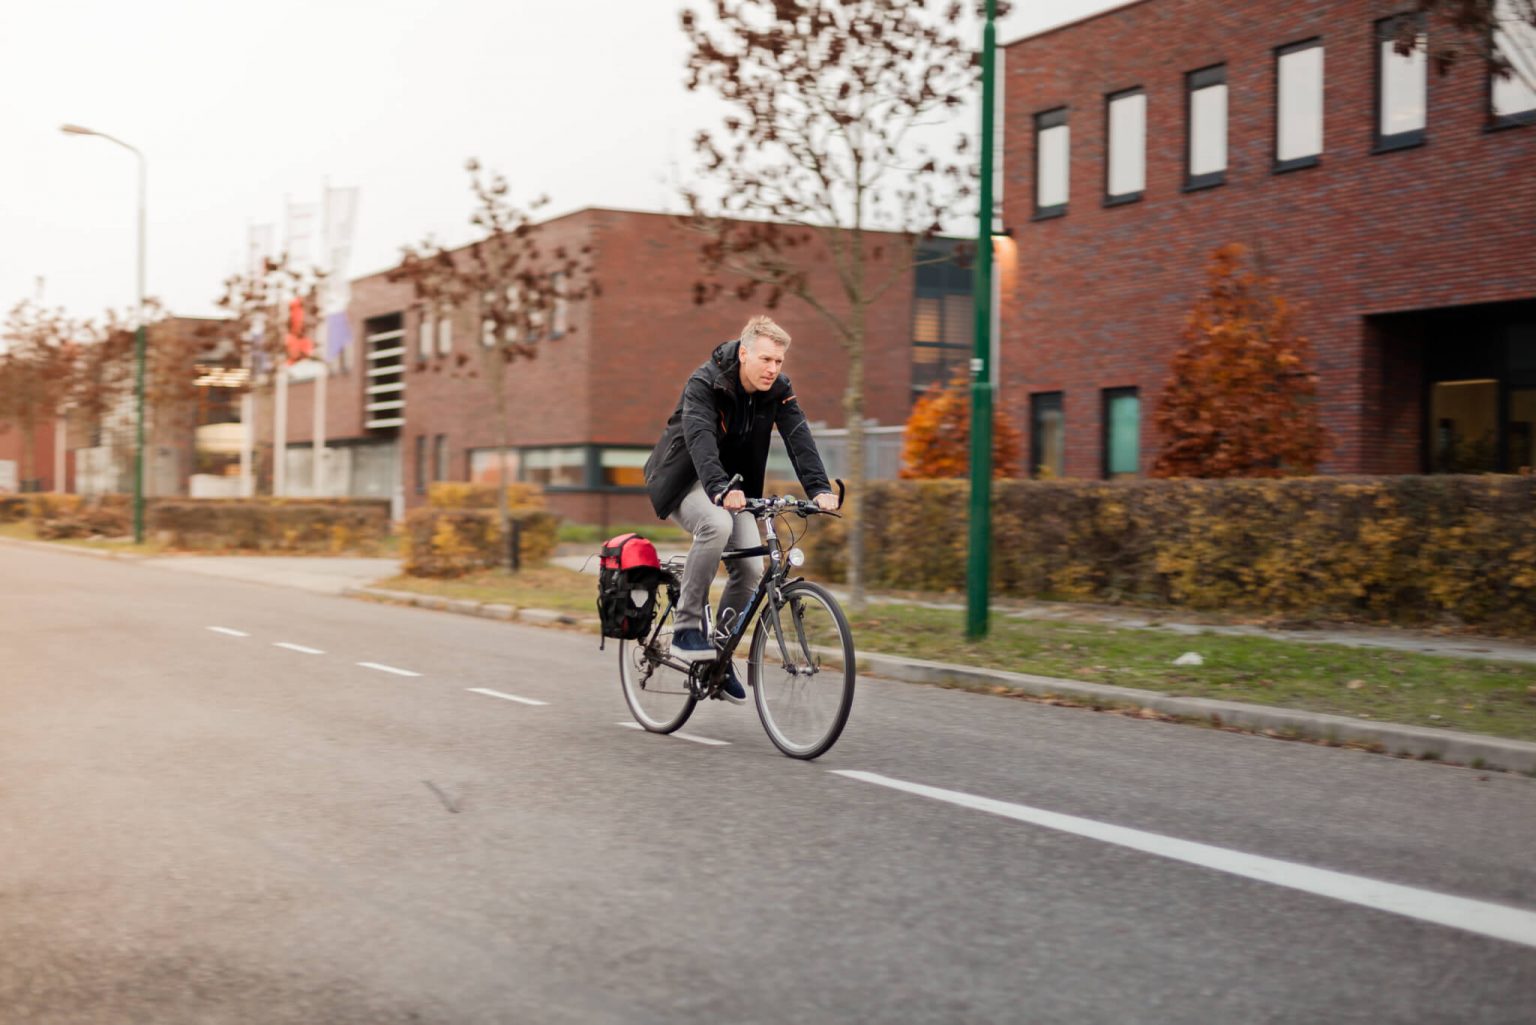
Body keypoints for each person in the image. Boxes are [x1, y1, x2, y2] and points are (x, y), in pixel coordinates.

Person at [643, 315, 840, 702]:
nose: (773, 369)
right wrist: (718, 488)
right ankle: (686, 627)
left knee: (751, 567)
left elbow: (799, 436)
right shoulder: (707, 382)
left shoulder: (777, 390)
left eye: (779, 362)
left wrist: (818, 488)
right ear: (744, 353)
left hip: (733, 487)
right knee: (715, 525)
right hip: (685, 478)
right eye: (766, 360)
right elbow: (699, 437)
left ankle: (715, 656)